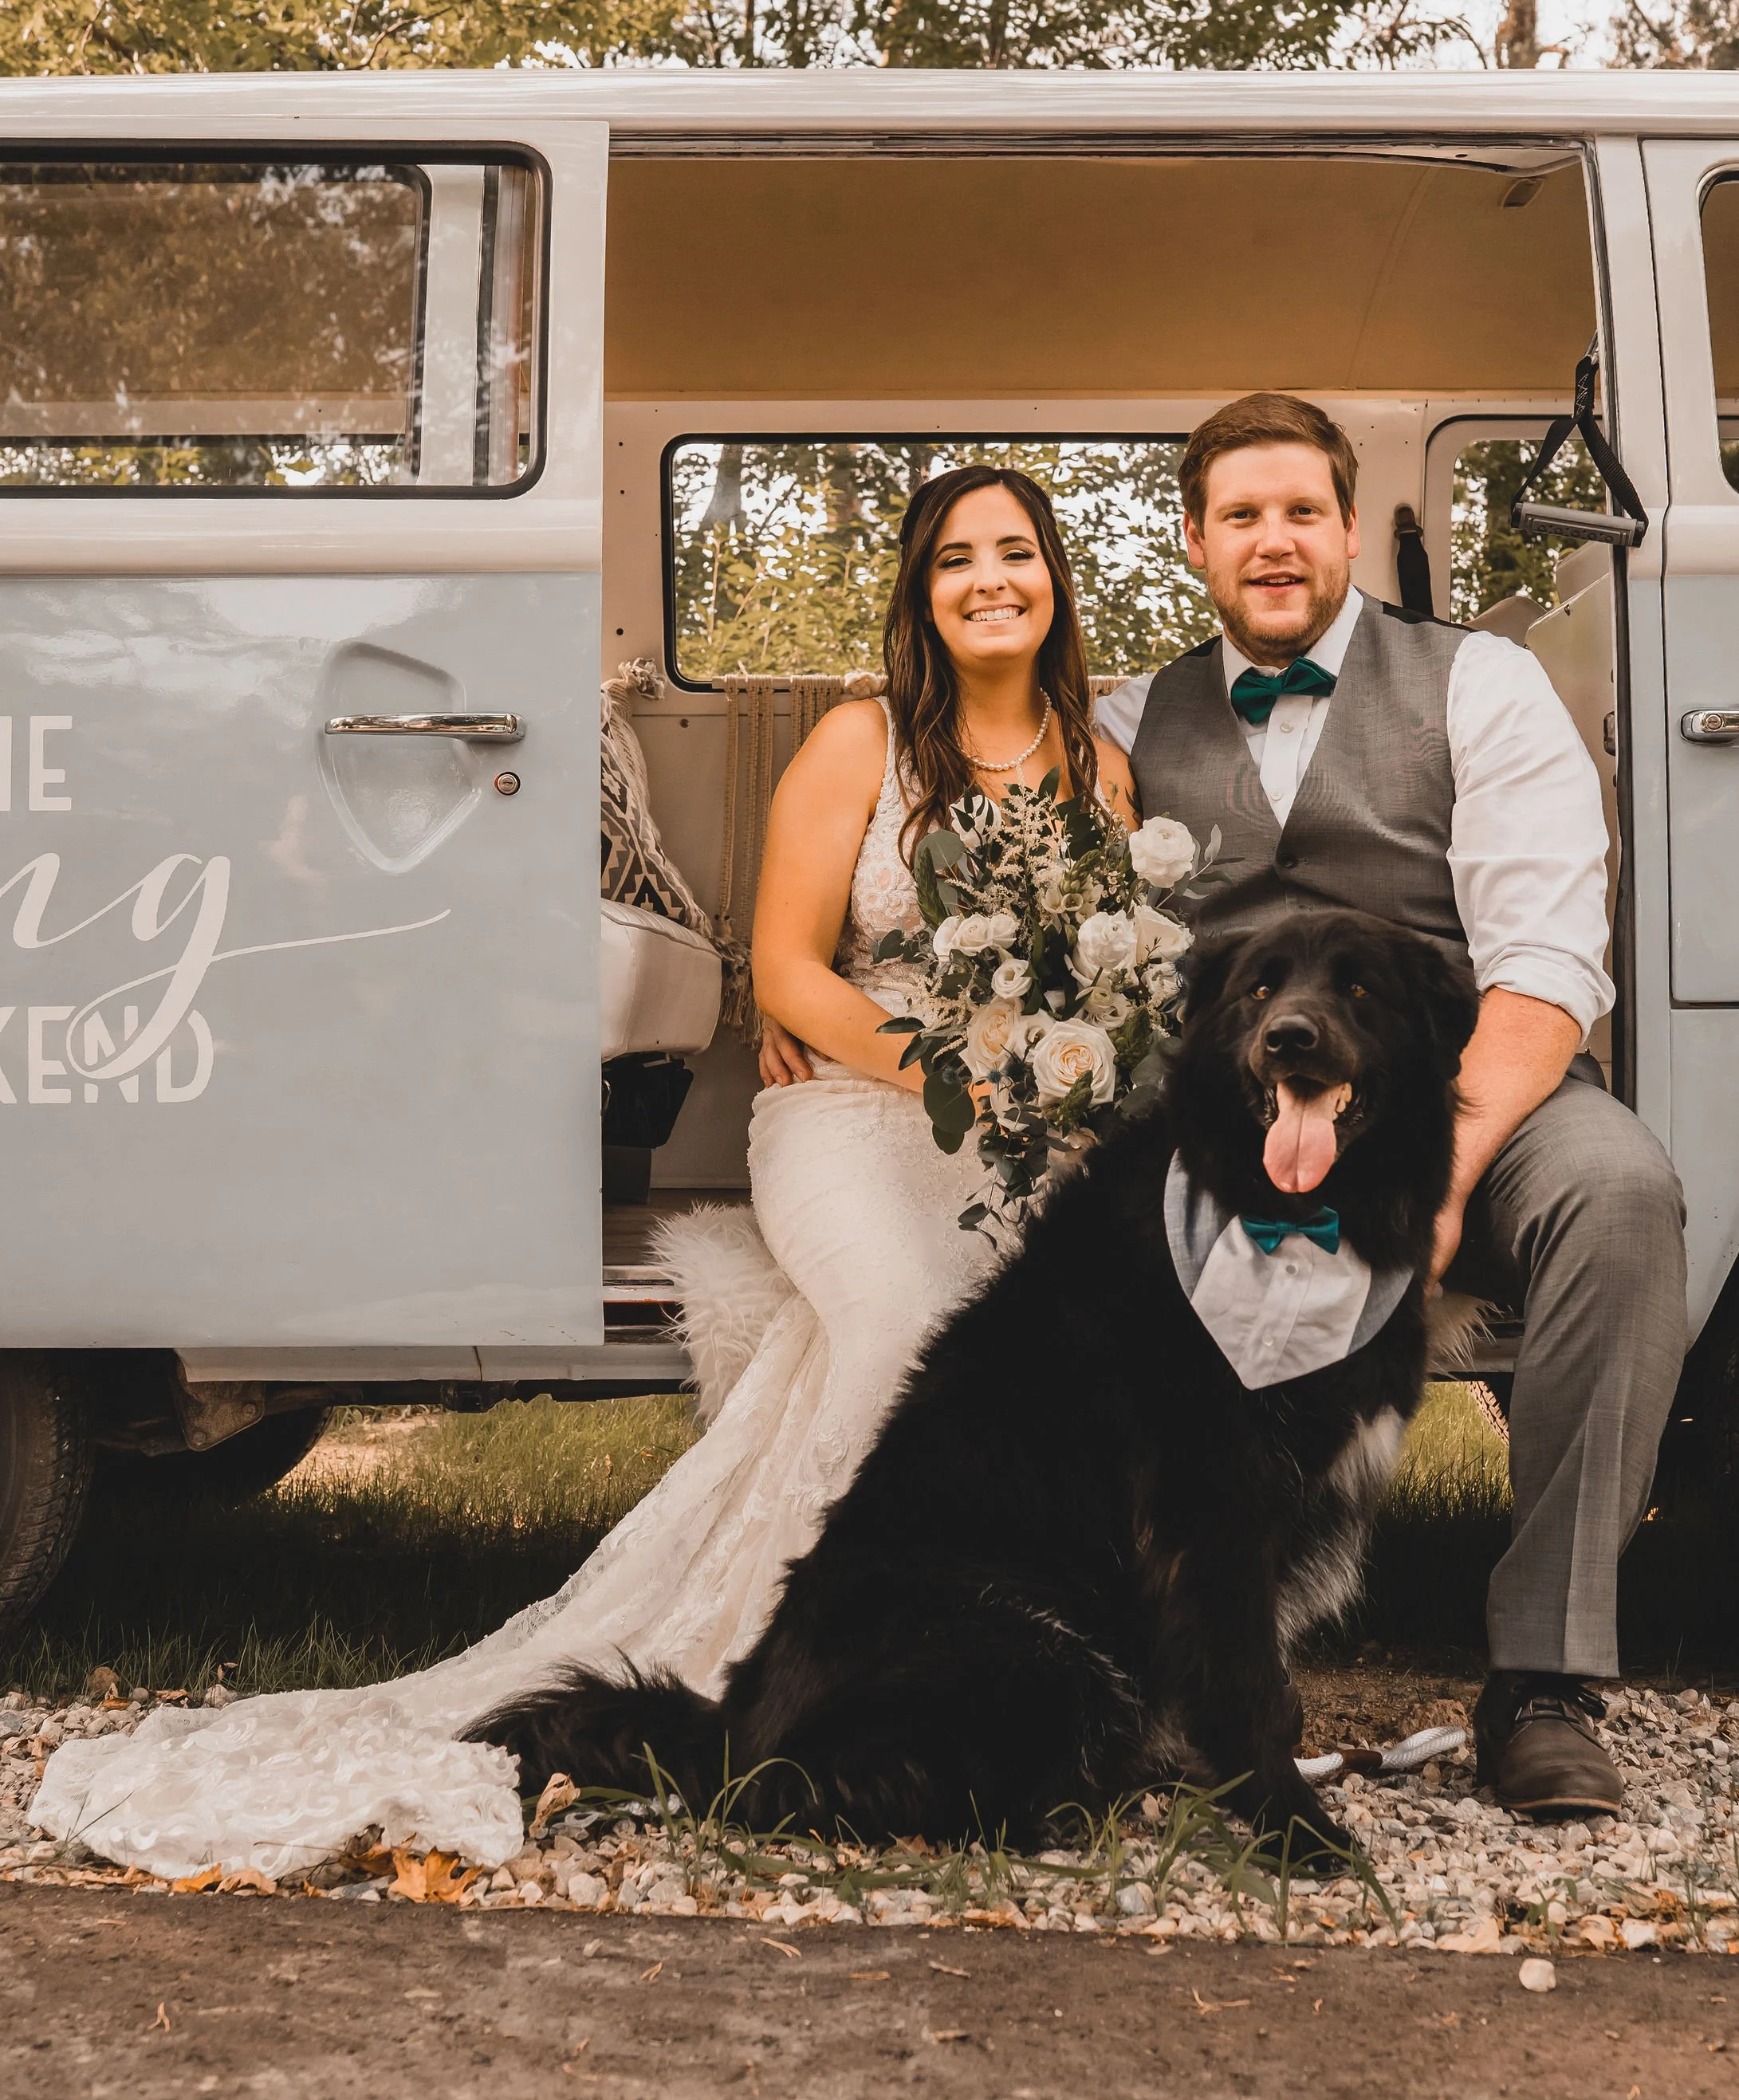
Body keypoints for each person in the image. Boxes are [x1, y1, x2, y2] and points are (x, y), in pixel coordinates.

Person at [33, 466, 1135, 1882]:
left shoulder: (1100, 769)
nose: (992, 579)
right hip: (853, 1115)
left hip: (1016, 1135)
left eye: (1018, 553)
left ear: (1055, 577)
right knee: (904, 1323)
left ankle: (1006, 1670)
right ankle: (819, 1663)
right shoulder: (866, 743)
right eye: (956, 559)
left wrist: (1051, 1082)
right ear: (920, 594)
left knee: (1042, 1364)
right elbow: (788, 967)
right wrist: (937, 1069)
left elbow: (1101, 992)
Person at [1096, 391, 1686, 1820]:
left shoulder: (1481, 683)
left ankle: (1543, 1680)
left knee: (1621, 1197)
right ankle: (1166, 1657)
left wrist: (1442, 1173)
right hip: (1240, 1112)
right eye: (1242, 515)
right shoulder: (1124, 719)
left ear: (1348, 526)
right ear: (1193, 542)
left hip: (1464, 1082)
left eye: (1303, 511)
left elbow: (1547, 965)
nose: (1276, 541)